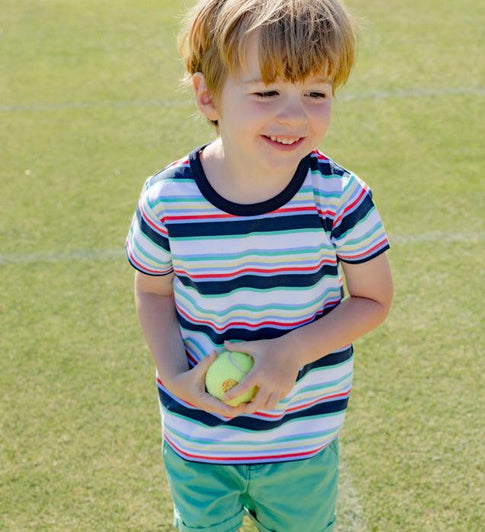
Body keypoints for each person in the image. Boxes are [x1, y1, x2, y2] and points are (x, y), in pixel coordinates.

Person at [126, 0, 393, 530]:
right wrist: (176, 375)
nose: (294, 114)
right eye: (267, 92)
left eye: (316, 93)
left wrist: (290, 351)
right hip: (198, 435)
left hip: (302, 438)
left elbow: (372, 298)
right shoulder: (167, 200)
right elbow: (153, 292)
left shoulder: (339, 197)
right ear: (208, 96)